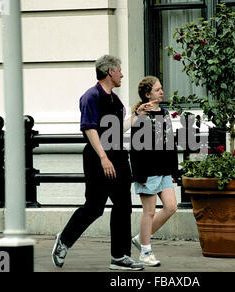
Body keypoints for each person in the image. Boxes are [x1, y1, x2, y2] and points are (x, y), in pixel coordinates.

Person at [51, 55, 153, 270]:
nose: (122, 74)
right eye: (120, 71)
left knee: (123, 206)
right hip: (99, 158)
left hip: (118, 157)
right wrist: (103, 158)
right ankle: (64, 240)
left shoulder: (115, 100)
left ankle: (119, 257)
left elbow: (117, 130)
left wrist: (137, 115)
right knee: (94, 207)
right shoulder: (91, 97)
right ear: (110, 72)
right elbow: (90, 129)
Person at [130, 76, 178, 267]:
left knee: (171, 207)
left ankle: (141, 237)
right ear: (148, 94)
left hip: (164, 170)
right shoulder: (141, 116)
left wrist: (174, 170)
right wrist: (139, 174)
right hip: (147, 171)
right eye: (157, 89)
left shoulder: (164, 113)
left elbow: (169, 143)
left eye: (161, 88)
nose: (161, 92)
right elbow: (135, 148)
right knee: (149, 212)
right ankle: (145, 251)